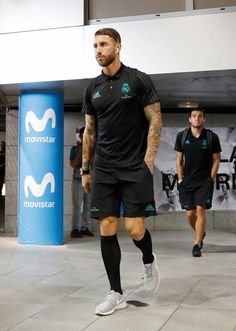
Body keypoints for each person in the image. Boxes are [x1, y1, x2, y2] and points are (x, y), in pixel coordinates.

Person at [81, 28, 162, 316]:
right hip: (104, 167)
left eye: (103, 44)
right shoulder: (93, 88)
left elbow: (155, 120)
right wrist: (86, 168)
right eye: (94, 46)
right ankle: (116, 292)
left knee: (135, 228)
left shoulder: (137, 80)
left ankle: (149, 260)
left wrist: (148, 161)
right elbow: (90, 130)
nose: (98, 50)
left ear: (118, 46)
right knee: (107, 226)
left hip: (134, 166)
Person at [174, 109, 221, 257]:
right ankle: (201, 234)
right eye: (194, 116)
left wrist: (211, 179)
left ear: (204, 119)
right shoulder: (182, 136)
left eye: (200, 116)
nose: (197, 118)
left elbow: (216, 159)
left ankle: (197, 244)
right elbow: (178, 160)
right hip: (187, 181)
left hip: (204, 181)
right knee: (189, 214)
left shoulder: (211, 137)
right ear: (189, 119)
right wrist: (180, 179)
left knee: (200, 210)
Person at [70, 127, 94, 238]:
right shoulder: (75, 149)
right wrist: (80, 150)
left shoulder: (92, 148)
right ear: (80, 136)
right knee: (77, 206)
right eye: (83, 135)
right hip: (77, 181)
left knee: (88, 206)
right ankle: (75, 229)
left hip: (89, 181)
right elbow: (73, 164)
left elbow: (94, 163)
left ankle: (84, 228)